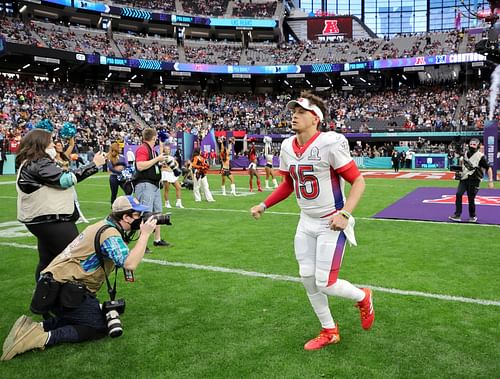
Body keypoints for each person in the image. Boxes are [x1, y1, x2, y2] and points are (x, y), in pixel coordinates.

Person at [250, 92, 374, 351]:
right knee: (307, 278)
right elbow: (287, 184)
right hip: (305, 220)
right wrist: (264, 204)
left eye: (301, 111)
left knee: (325, 283)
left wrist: (345, 214)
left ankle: (364, 296)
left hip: (331, 220)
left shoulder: (330, 143)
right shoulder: (286, 146)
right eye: (293, 110)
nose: (294, 115)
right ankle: (329, 330)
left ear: (315, 118)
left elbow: (358, 181)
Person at [1, 196, 157, 361]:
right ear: (126, 217)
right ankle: (38, 338)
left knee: (92, 315)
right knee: (98, 327)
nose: (141, 218)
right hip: (63, 290)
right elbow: (130, 264)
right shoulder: (110, 234)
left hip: (58, 286)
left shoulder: (104, 225)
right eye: (138, 215)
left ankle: (33, 326)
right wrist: (145, 235)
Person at [16, 128, 106, 282]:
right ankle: (73, 300)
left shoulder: (33, 162)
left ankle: (43, 299)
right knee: (74, 259)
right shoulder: (39, 162)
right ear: (40, 144)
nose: (53, 145)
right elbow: (65, 180)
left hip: (43, 219)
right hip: (52, 219)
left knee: (48, 260)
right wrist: (94, 165)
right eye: (50, 142)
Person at [134, 127, 172, 248]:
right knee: (146, 214)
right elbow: (139, 166)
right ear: (154, 137)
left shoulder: (151, 150)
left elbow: (153, 165)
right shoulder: (142, 148)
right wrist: (157, 159)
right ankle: (142, 244)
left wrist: (160, 161)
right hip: (145, 184)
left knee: (157, 213)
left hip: (154, 185)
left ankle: (157, 240)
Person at [449, 138, 494, 223]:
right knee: (458, 194)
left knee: (471, 198)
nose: (472, 146)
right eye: (471, 144)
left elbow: (488, 168)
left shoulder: (480, 156)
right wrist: (459, 171)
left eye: (474, 144)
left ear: (478, 146)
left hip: (474, 179)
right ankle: (457, 215)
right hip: (464, 178)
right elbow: (463, 165)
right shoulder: (466, 153)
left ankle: (472, 216)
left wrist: (490, 181)